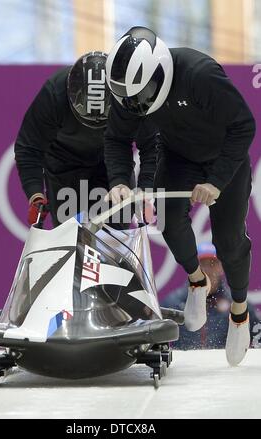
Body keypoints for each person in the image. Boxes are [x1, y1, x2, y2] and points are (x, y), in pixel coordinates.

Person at [104, 27, 256, 366]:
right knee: (170, 222)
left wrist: (217, 181)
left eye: (140, 96)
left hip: (223, 159)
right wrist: (118, 180)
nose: (135, 106)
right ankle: (196, 281)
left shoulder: (200, 75)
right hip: (179, 156)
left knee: (229, 242)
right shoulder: (130, 95)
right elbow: (116, 139)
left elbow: (244, 125)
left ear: (159, 71)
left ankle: (240, 311)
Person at [14, 51, 157, 228]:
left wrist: (145, 190)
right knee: (70, 236)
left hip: (113, 165)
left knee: (116, 235)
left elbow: (152, 146)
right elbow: (28, 148)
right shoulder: (53, 94)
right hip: (64, 166)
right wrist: (35, 194)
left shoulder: (129, 95)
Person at [161, 243, 260, 350]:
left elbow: (258, 339)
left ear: (222, 267)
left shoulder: (237, 304)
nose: (208, 269)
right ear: (193, 268)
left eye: (213, 263)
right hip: (182, 365)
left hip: (223, 365)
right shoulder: (171, 303)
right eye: (203, 263)